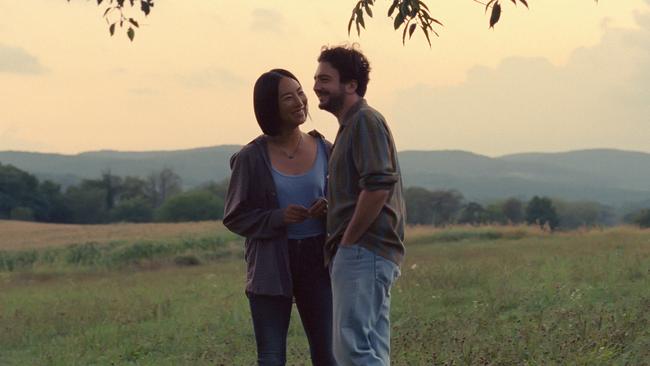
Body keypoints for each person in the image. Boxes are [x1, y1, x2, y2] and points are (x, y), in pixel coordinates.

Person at [223, 69, 336, 366]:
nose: (300, 101)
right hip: (270, 264)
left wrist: (330, 208)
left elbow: (348, 202)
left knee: (328, 355)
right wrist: (278, 217)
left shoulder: (325, 149)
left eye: (300, 93)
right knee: (271, 358)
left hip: (319, 261)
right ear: (270, 106)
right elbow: (234, 217)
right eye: (288, 97)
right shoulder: (250, 157)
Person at [313, 45, 405, 365]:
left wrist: (348, 240)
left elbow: (379, 186)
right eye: (316, 79)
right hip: (368, 251)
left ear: (351, 85)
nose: (316, 87)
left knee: (351, 348)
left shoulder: (365, 121)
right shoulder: (351, 125)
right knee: (370, 345)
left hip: (363, 249)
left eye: (325, 79)